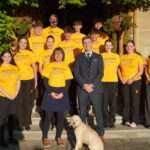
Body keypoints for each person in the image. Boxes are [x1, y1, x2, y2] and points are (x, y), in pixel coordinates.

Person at [74, 36, 105, 142]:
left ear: (91, 44)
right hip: (82, 90)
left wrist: (92, 85)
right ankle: (82, 136)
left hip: (95, 89)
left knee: (98, 111)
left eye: (88, 42)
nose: (87, 44)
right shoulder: (78, 57)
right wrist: (84, 85)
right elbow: (76, 73)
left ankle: (100, 134)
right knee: (82, 112)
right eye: (85, 43)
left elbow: (101, 73)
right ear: (83, 45)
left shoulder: (98, 57)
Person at [41, 47, 73, 147]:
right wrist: (50, 92)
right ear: (53, 55)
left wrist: (63, 93)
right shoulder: (49, 65)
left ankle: (58, 137)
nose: (58, 55)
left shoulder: (66, 67)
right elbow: (45, 81)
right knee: (48, 116)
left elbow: (68, 82)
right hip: (50, 91)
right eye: (56, 54)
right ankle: (45, 137)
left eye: (60, 54)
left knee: (60, 117)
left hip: (61, 92)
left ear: (63, 55)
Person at [118, 40, 144, 128]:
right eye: (127, 46)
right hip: (124, 82)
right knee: (126, 101)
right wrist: (121, 77)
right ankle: (126, 120)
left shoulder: (138, 57)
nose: (128, 48)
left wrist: (132, 79)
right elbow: (118, 68)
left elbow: (141, 71)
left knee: (134, 102)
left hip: (135, 82)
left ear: (134, 47)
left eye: (130, 46)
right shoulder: (122, 57)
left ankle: (134, 121)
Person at [14, 37, 37, 130]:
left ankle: (27, 123)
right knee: (19, 102)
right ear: (18, 43)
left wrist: (35, 81)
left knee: (28, 102)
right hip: (17, 80)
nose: (23, 44)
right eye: (21, 42)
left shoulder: (30, 53)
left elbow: (35, 68)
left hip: (29, 79)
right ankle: (20, 123)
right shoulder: (14, 54)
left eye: (25, 43)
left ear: (27, 44)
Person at [0, 50, 20, 147]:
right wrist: (7, 95)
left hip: (14, 97)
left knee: (12, 118)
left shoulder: (15, 68)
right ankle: (1, 139)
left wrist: (15, 93)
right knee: (2, 118)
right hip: (3, 97)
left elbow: (18, 81)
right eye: (5, 56)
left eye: (9, 56)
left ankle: (11, 137)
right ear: (2, 57)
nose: (7, 58)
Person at [101, 40, 120, 128]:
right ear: (105, 46)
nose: (108, 47)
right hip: (103, 81)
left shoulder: (116, 56)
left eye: (110, 45)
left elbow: (117, 69)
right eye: (106, 45)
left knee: (113, 103)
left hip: (113, 81)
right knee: (104, 103)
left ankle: (112, 121)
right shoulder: (101, 56)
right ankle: (106, 120)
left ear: (112, 46)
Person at [145, 55, 150, 128]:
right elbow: (145, 69)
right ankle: (148, 122)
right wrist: (149, 78)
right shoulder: (148, 58)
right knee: (148, 102)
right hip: (148, 82)